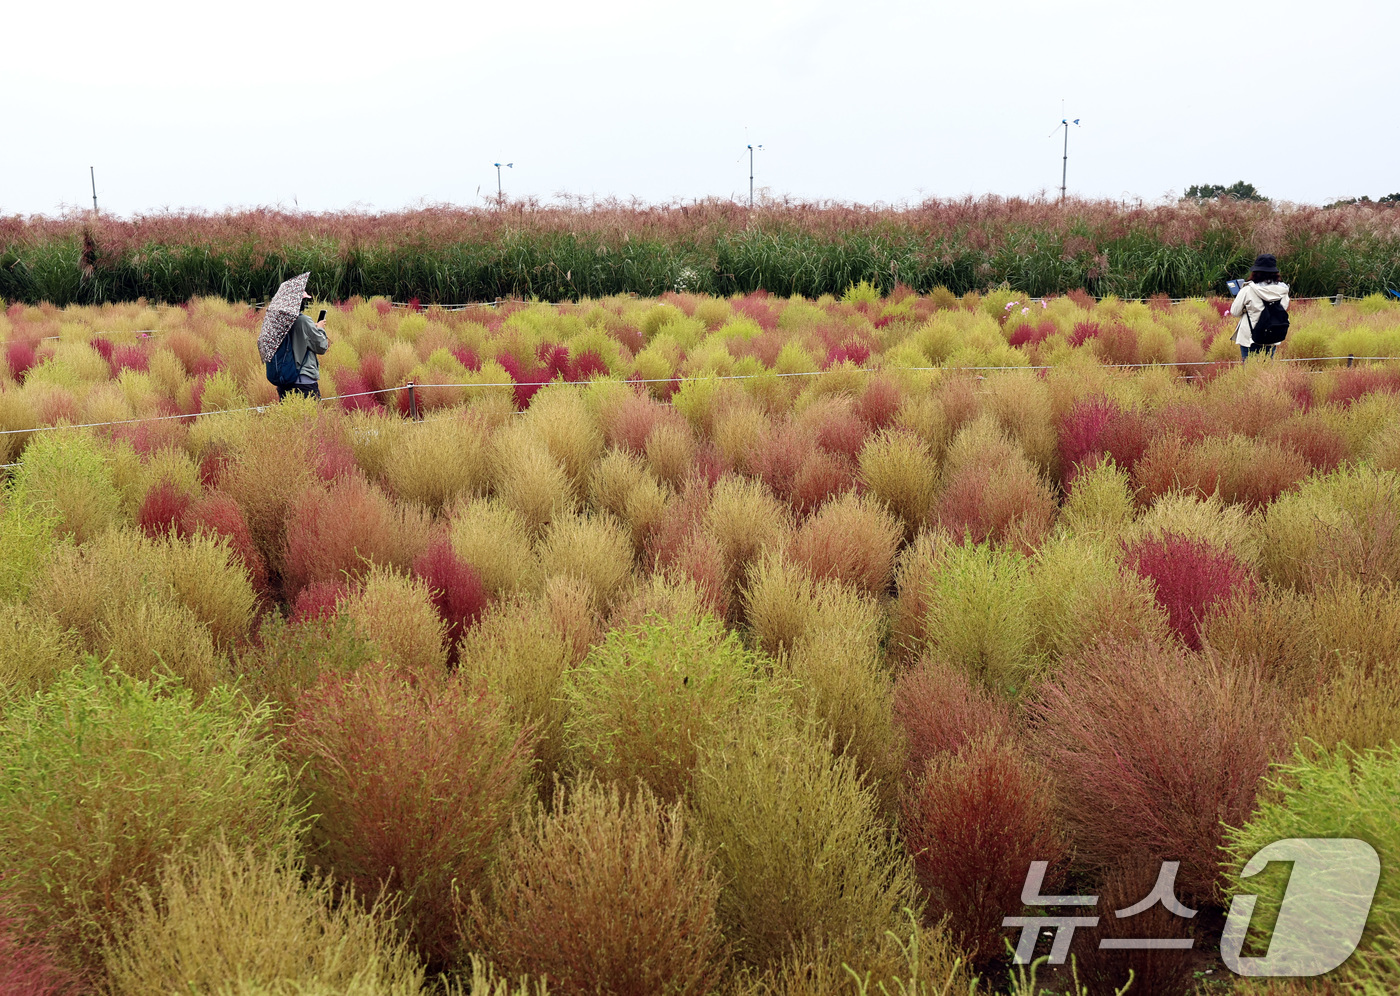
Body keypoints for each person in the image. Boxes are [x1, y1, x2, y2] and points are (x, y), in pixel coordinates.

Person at [1229, 254, 1289, 362]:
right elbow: (1283, 308)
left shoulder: (1248, 290)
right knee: (1266, 372)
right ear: (1275, 272)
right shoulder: (1283, 291)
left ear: (1255, 272)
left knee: (1250, 371)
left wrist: (1245, 309)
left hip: (1250, 338)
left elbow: (1234, 312)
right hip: (1273, 335)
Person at [279, 291, 330, 400]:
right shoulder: (304, 321)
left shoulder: (279, 323)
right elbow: (322, 346)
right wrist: (320, 328)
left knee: (289, 416)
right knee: (311, 416)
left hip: (284, 381)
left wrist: (312, 328)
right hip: (303, 381)